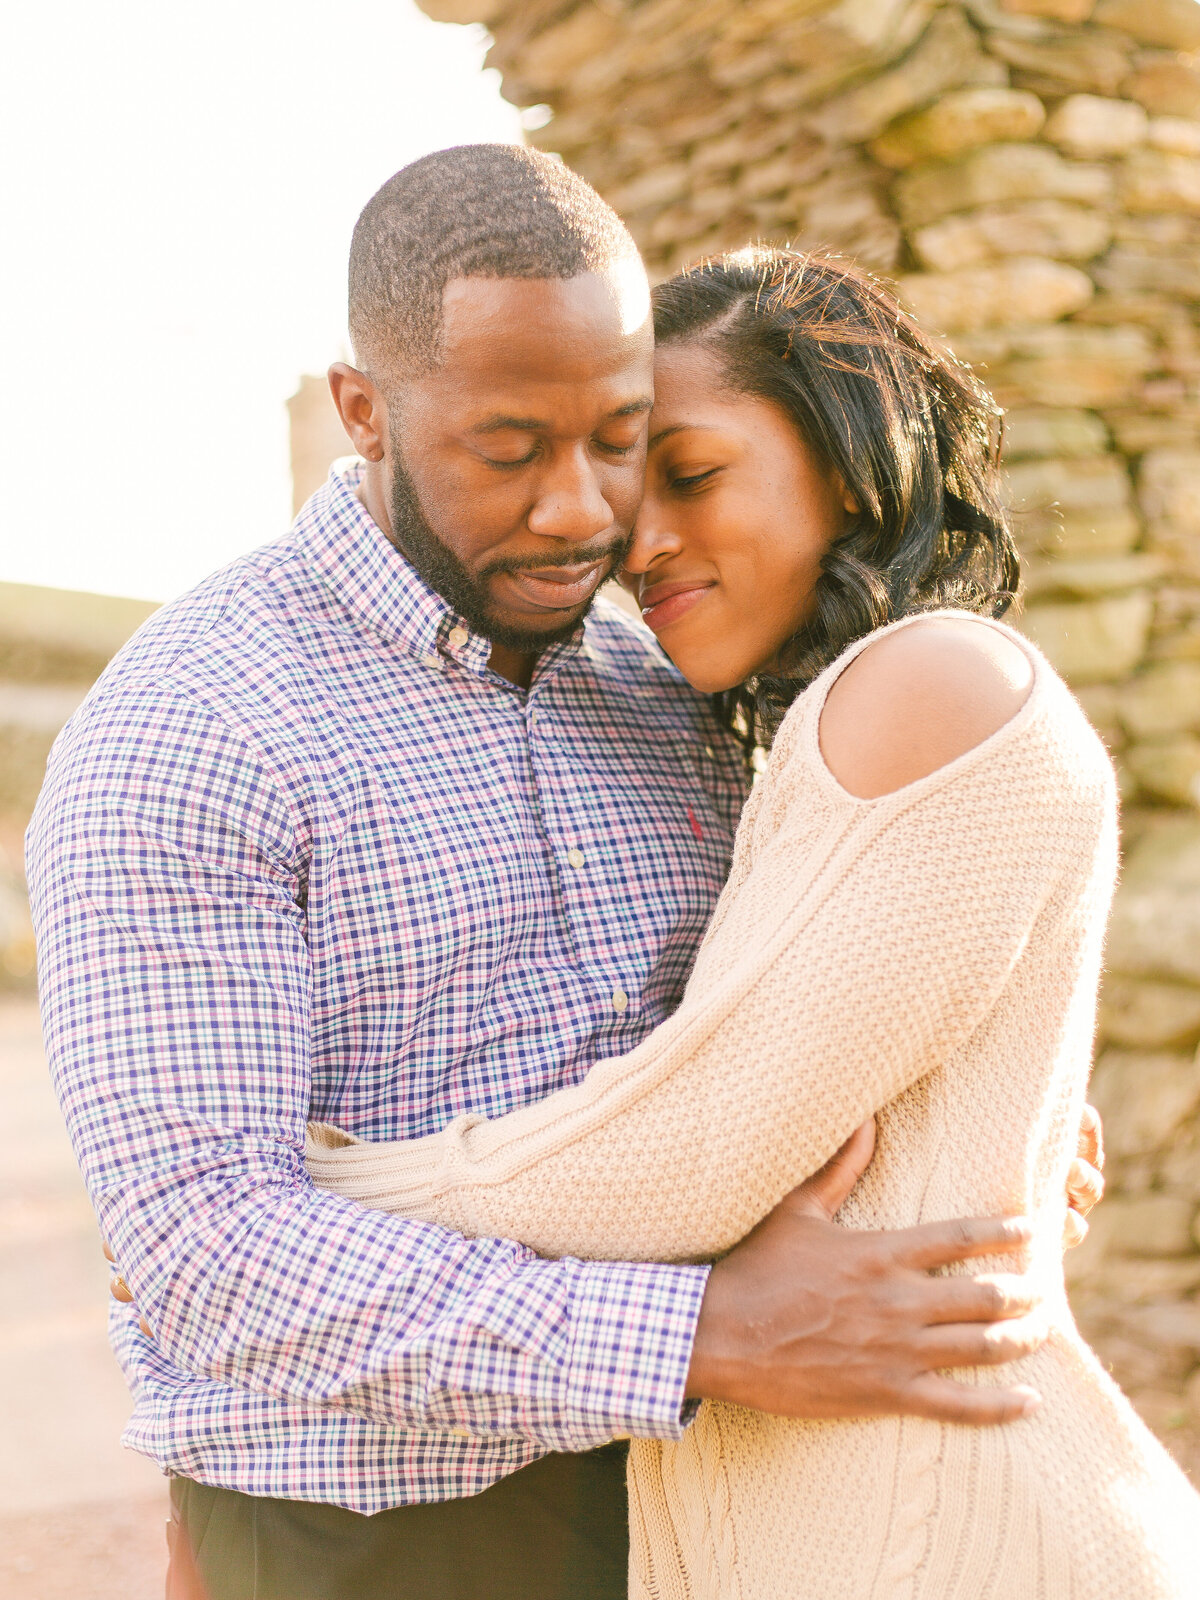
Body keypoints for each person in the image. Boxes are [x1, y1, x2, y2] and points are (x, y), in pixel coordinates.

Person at [28, 148, 1099, 1600]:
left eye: (623, 439)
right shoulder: (194, 730)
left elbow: (783, 1032)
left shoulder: (677, 671)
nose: (582, 512)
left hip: (722, 1501)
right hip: (371, 1541)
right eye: (510, 448)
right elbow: (206, 1252)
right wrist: (704, 1334)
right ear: (364, 412)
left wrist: (986, 1142)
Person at [306, 244, 1200, 1598]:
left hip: (960, 1543)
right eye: (627, 490)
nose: (638, 540)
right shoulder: (802, 734)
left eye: (694, 473)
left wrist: (307, 1201)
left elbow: (700, 1145)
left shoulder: (933, 681)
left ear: (846, 461)